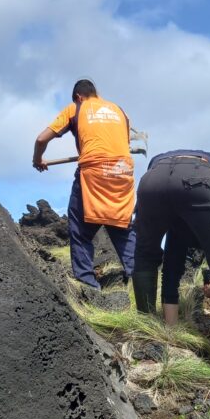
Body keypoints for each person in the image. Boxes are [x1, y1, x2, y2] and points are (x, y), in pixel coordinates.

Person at [131, 150, 210, 373]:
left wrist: (171, 335)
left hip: (153, 180)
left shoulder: (179, 227)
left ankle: (147, 340)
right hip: (198, 177)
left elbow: (171, 272)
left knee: (145, 257)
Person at [32, 80, 135, 289]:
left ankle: (88, 285)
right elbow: (123, 144)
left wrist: (38, 160)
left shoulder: (76, 108)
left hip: (94, 172)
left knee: (80, 230)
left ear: (78, 97)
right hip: (122, 172)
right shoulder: (120, 111)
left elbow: (41, 139)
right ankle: (139, 279)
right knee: (122, 226)